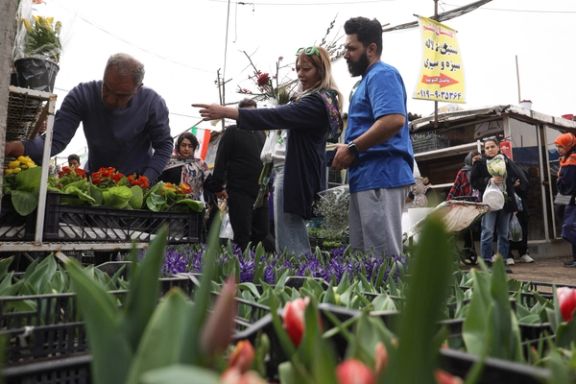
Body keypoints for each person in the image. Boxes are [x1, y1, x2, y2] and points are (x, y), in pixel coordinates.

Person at [194, 46, 343, 257]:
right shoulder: (316, 99)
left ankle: (301, 280)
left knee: (291, 241)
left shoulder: (316, 102)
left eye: (306, 69)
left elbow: (276, 116)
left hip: (295, 174)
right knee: (287, 236)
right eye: (298, 68)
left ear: (321, 70)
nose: (300, 74)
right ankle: (300, 278)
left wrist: (226, 111)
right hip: (290, 172)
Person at [5, 53, 173, 183]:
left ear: (138, 88)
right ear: (104, 75)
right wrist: (17, 147)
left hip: (136, 183)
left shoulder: (152, 103)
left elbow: (164, 146)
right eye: (106, 88)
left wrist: (146, 180)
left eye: (121, 95)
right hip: (95, 180)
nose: (110, 99)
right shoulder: (82, 95)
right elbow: (53, 141)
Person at [331, 17, 414, 258]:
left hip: (381, 175)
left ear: (371, 49)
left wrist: (353, 148)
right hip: (366, 177)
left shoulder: (382, 75)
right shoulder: (365, 81)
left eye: (351, 48)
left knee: (383, 259)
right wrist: (346, 146)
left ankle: (392, 298)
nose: (346, 54)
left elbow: (393, 120)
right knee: (364, 260)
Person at [204, 98, 274, 252]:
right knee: (242, 236)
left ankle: (262, 271)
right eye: (247, 114)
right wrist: (217, 186)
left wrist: (267, 187)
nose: (251, 117)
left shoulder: (262, 135)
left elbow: (268, 163)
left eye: (254, 113)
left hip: (260, 194)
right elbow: (221, 160)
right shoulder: (232, 132)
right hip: (239, 192)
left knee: (262, 235)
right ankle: (240, 270)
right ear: (239, 115)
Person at [471, 137, 521, 267]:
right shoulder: (480, 163)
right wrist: (489, 180)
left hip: (506, 202)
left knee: (504, 234)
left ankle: (502, 263)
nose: (490, 149)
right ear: (484, 150)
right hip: (489, 203)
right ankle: (487, 262)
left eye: (492, 146)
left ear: (498, 147)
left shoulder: (506, 161)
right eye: (487, 147)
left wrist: (511, 180)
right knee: (487, 232)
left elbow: (515, 176)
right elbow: (474, 182)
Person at [446, 150, 482, 265]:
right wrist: (448, 202)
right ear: (469, 160)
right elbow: (455, 188)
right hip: (467, 205)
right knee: (466, 228)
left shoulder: (484, 170)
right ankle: (468, 252)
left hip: (481, 205)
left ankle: (484, 254)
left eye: (479, 159)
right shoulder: (463, 172)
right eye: (474, 159)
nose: (477, 161)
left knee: (482, 229)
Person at [162, 132, 207, 201]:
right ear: (178, 146)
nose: (186, 148)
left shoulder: (200, 165)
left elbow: (209, 185)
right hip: (170, 205)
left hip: (193, 205)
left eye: (190, 146)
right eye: (183, 145)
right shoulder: (168, 163)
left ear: (194, 148)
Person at [554, 133, 576, 268]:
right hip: (564, 194)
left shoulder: (572, 160)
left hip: (570, 195)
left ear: (569, 146)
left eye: (561, 146)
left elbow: (568, 183)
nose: (558, 149)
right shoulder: (565, 158)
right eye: (557, 146)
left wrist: (558, 180)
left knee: (568, 227)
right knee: (563, 221)